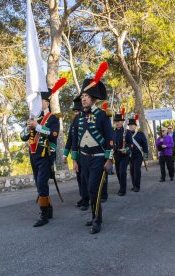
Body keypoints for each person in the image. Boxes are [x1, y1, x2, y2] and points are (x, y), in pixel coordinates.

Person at [71, 77, 113, 235]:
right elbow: (75, 139)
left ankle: (97, 220)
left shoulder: (102, 116)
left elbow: (110, 138)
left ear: (93, 99)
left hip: (98, 157)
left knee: (93, 188)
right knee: (88, 190)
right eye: (82, 96)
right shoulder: (79, 117)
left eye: (86, 96)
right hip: (83, 158)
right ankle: (95, 215)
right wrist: (75, 159)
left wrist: (109, 159)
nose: (83, 98)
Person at [21, 87, 60, 227]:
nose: (37, 104)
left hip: (45, 155)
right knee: (39, 184)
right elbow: (23, 137)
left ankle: (43, 214)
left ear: (46, 102)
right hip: (33, 155)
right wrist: (27, 127)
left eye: (40, 101)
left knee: (42, 184)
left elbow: (54, 134)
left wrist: (37, 127)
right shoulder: (34, 118)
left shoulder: (53, 118)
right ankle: (48, 209)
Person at [62, 98, 89, 210]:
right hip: (76, 154)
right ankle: (83, 197)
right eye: (75, 111)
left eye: (78, 111)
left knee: (85, 178)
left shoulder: (85, 119)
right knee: (79, 178)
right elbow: (70, 139)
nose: (76, 113)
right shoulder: (74, 121)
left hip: (86, 153)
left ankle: (87, 200)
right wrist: (65, 154)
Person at [113, 110, 132, 196]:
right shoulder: (112, 132)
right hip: (116, 155)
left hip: (124, 155)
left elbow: (131, 144)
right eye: (116, 121)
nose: (117, 123)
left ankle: (123, 190)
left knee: (122, 171)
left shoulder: (127, 132)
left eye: (119, 121)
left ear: (122, 122)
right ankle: (121, 186)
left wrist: (126, 149)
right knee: (118, 172)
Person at [129, 115, 148, 192]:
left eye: (132, 125)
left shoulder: (140, 134)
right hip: (131, 155)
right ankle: (134, 185)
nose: (131, 126)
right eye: (130, 125)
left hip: (138, 155)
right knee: (132, 170)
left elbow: (145, 144)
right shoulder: (127, 134)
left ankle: (137, 186)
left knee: (137, 170)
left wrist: (145, 154)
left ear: (135, 126)